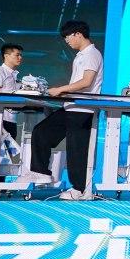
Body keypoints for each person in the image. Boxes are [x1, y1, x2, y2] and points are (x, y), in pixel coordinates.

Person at [27, 20, 104, 199]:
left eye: (68, 37)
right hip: (72, 105)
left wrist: (61, 89)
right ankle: (40, 171)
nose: (67, 41)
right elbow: (79, 83)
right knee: (41, 131)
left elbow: (87, 82)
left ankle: (79, 189)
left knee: (76, 148)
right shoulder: (80, 55)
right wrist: (66, 94)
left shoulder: (91, 54)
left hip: (84, 108)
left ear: (78, 34)